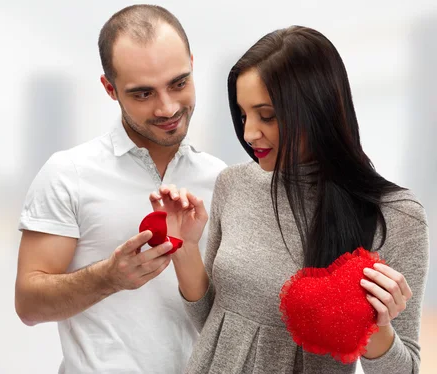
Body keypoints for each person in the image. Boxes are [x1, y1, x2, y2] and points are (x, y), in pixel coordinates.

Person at [150, 26, 429, 373]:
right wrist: (187, 247)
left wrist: (378, 325)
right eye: (242, 115)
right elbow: (212, 322)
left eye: (266, 115)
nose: (250, 133)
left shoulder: (395, 215)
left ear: (317, 109)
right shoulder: (233, 184)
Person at [14, 4, 226, 374]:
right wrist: (108, 277)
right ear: (110, 89)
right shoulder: (68, 174)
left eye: (179, 82)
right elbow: (29, 304)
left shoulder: (223, 179)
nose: (168, 107)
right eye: (143, 94)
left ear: (192, 64)